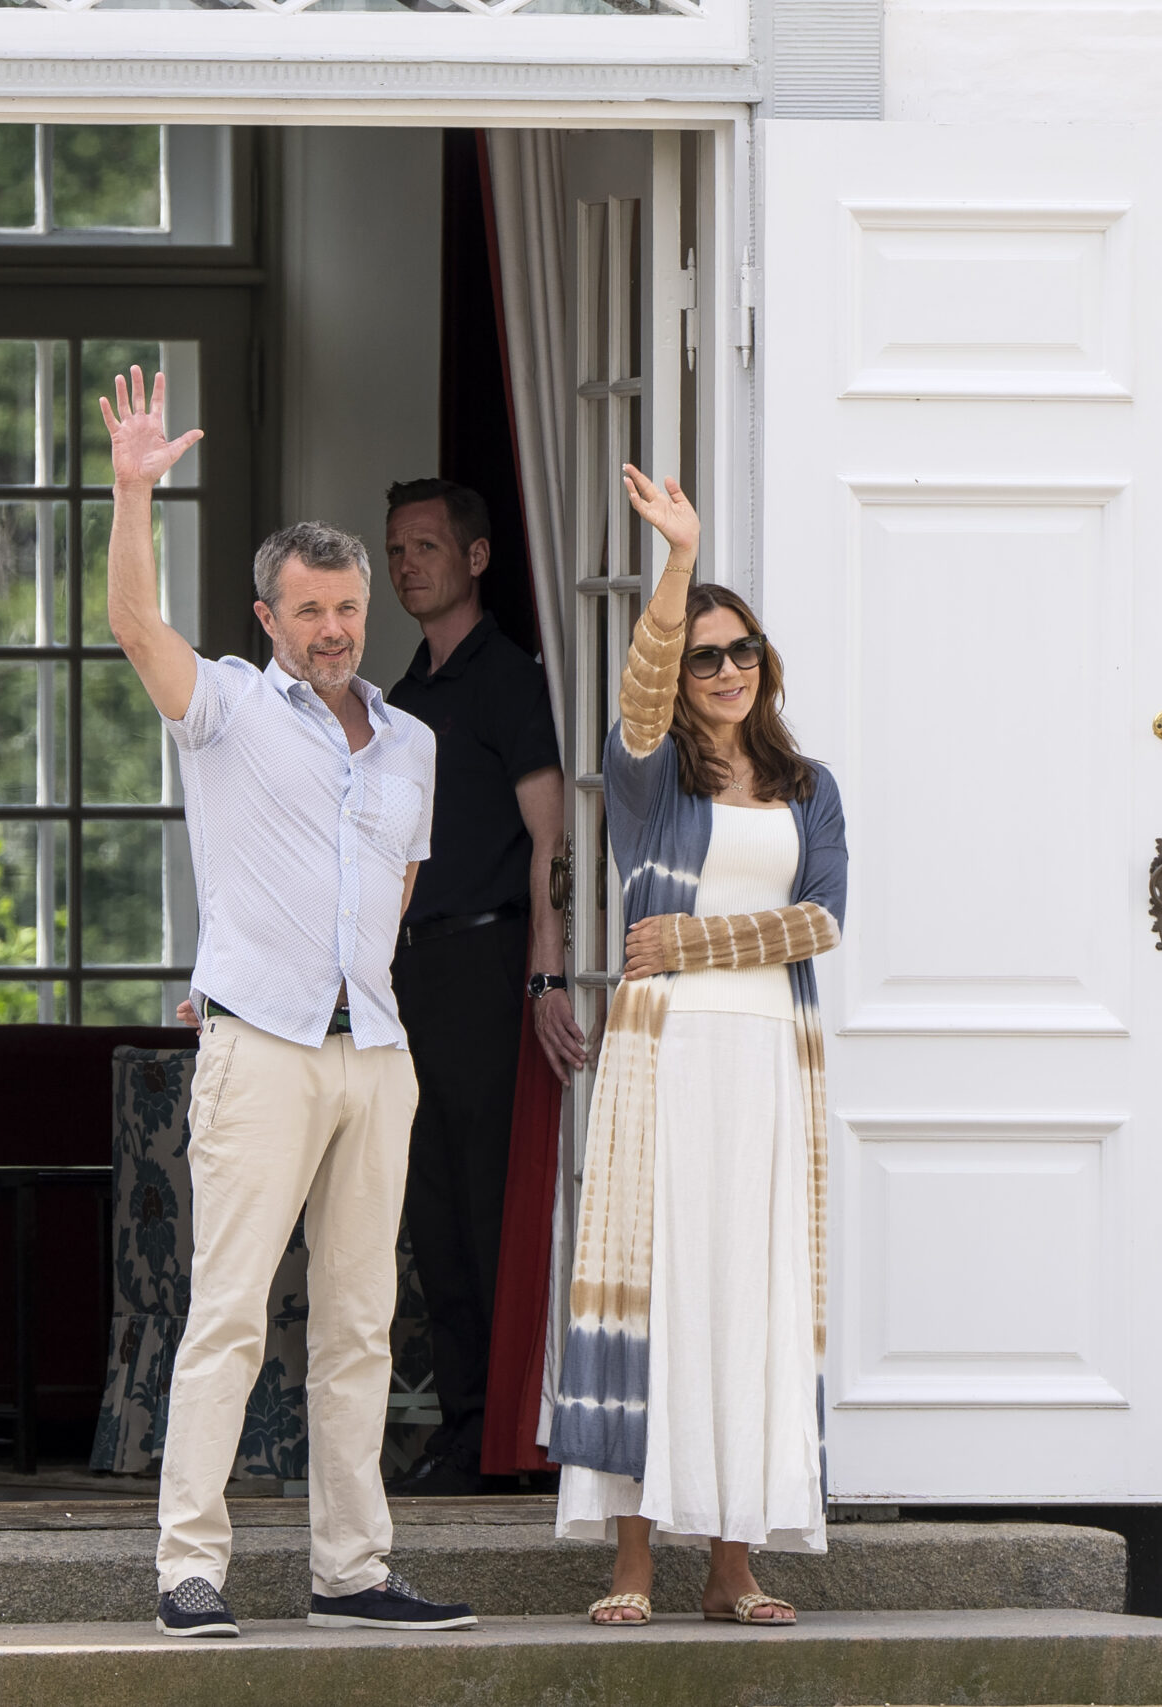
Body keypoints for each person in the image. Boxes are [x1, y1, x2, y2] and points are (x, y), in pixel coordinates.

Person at [99, 365, 477, 1640]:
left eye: (348, 606)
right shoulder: (225, 711)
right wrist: (133, 492)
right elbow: (135, 629)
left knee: (362, 1324)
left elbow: (397, 892)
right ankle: (188, 1569)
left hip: (374, 1054)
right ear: (266, 616)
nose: (332, 628)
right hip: (258, 1047)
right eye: (308, 609)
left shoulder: (410, 743)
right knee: (230, 1316)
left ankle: (352, 1569)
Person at [549, 464, 849, 1629]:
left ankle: (733, 1565)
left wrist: (689, 936)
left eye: (742, 652)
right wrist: (677, 563)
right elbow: (637, 691)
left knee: (747, 1293)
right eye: (705, 655)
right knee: (658, 1288)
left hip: (770, 1064)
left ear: (765, 664)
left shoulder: (808, 787)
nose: (724, 670)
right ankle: (634, 1559)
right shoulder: (648, 779)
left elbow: (821, 919)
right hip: (665, 1062)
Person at [377, 477, 587, 1498]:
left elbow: (552, 840)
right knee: (430, 1203)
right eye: (396, 550)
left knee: (489, 1202)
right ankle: (464, 1432)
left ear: (474, 557)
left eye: (425, 545)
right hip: (412, 969)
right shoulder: (403, 698)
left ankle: (515, 1436)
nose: (407, 564)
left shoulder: (507, 679)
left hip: (490, 960)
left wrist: (546, 972)